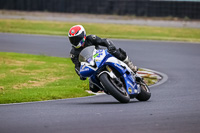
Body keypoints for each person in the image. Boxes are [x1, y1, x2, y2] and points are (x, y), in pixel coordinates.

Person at [68, 25, 138, 92]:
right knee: (93, 88)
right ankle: (108, 87)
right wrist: (80, 74)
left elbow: (104, 41)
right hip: (92, 67)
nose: (75, 41)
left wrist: (110, 46)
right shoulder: (73, 53)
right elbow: (77, 66)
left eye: (77, 38)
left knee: (116, 52)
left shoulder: (91, 38)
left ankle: (131, 67)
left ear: (83, 35)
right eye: (72, 39)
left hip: (102, 57)